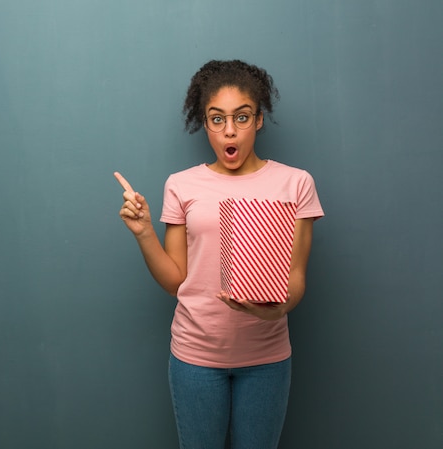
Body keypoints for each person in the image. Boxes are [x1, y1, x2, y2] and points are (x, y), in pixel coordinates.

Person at [114, 59, 324, 449]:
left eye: (241, 118)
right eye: (217, 119)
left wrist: (277, 309)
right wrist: (144, 233)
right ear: (204, 123)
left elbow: (296, 277)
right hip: (195, 356)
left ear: (258, 120)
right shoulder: (181, 185)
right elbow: (176, 281)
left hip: (267, 357)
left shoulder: (296, 184)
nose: (229, 130)